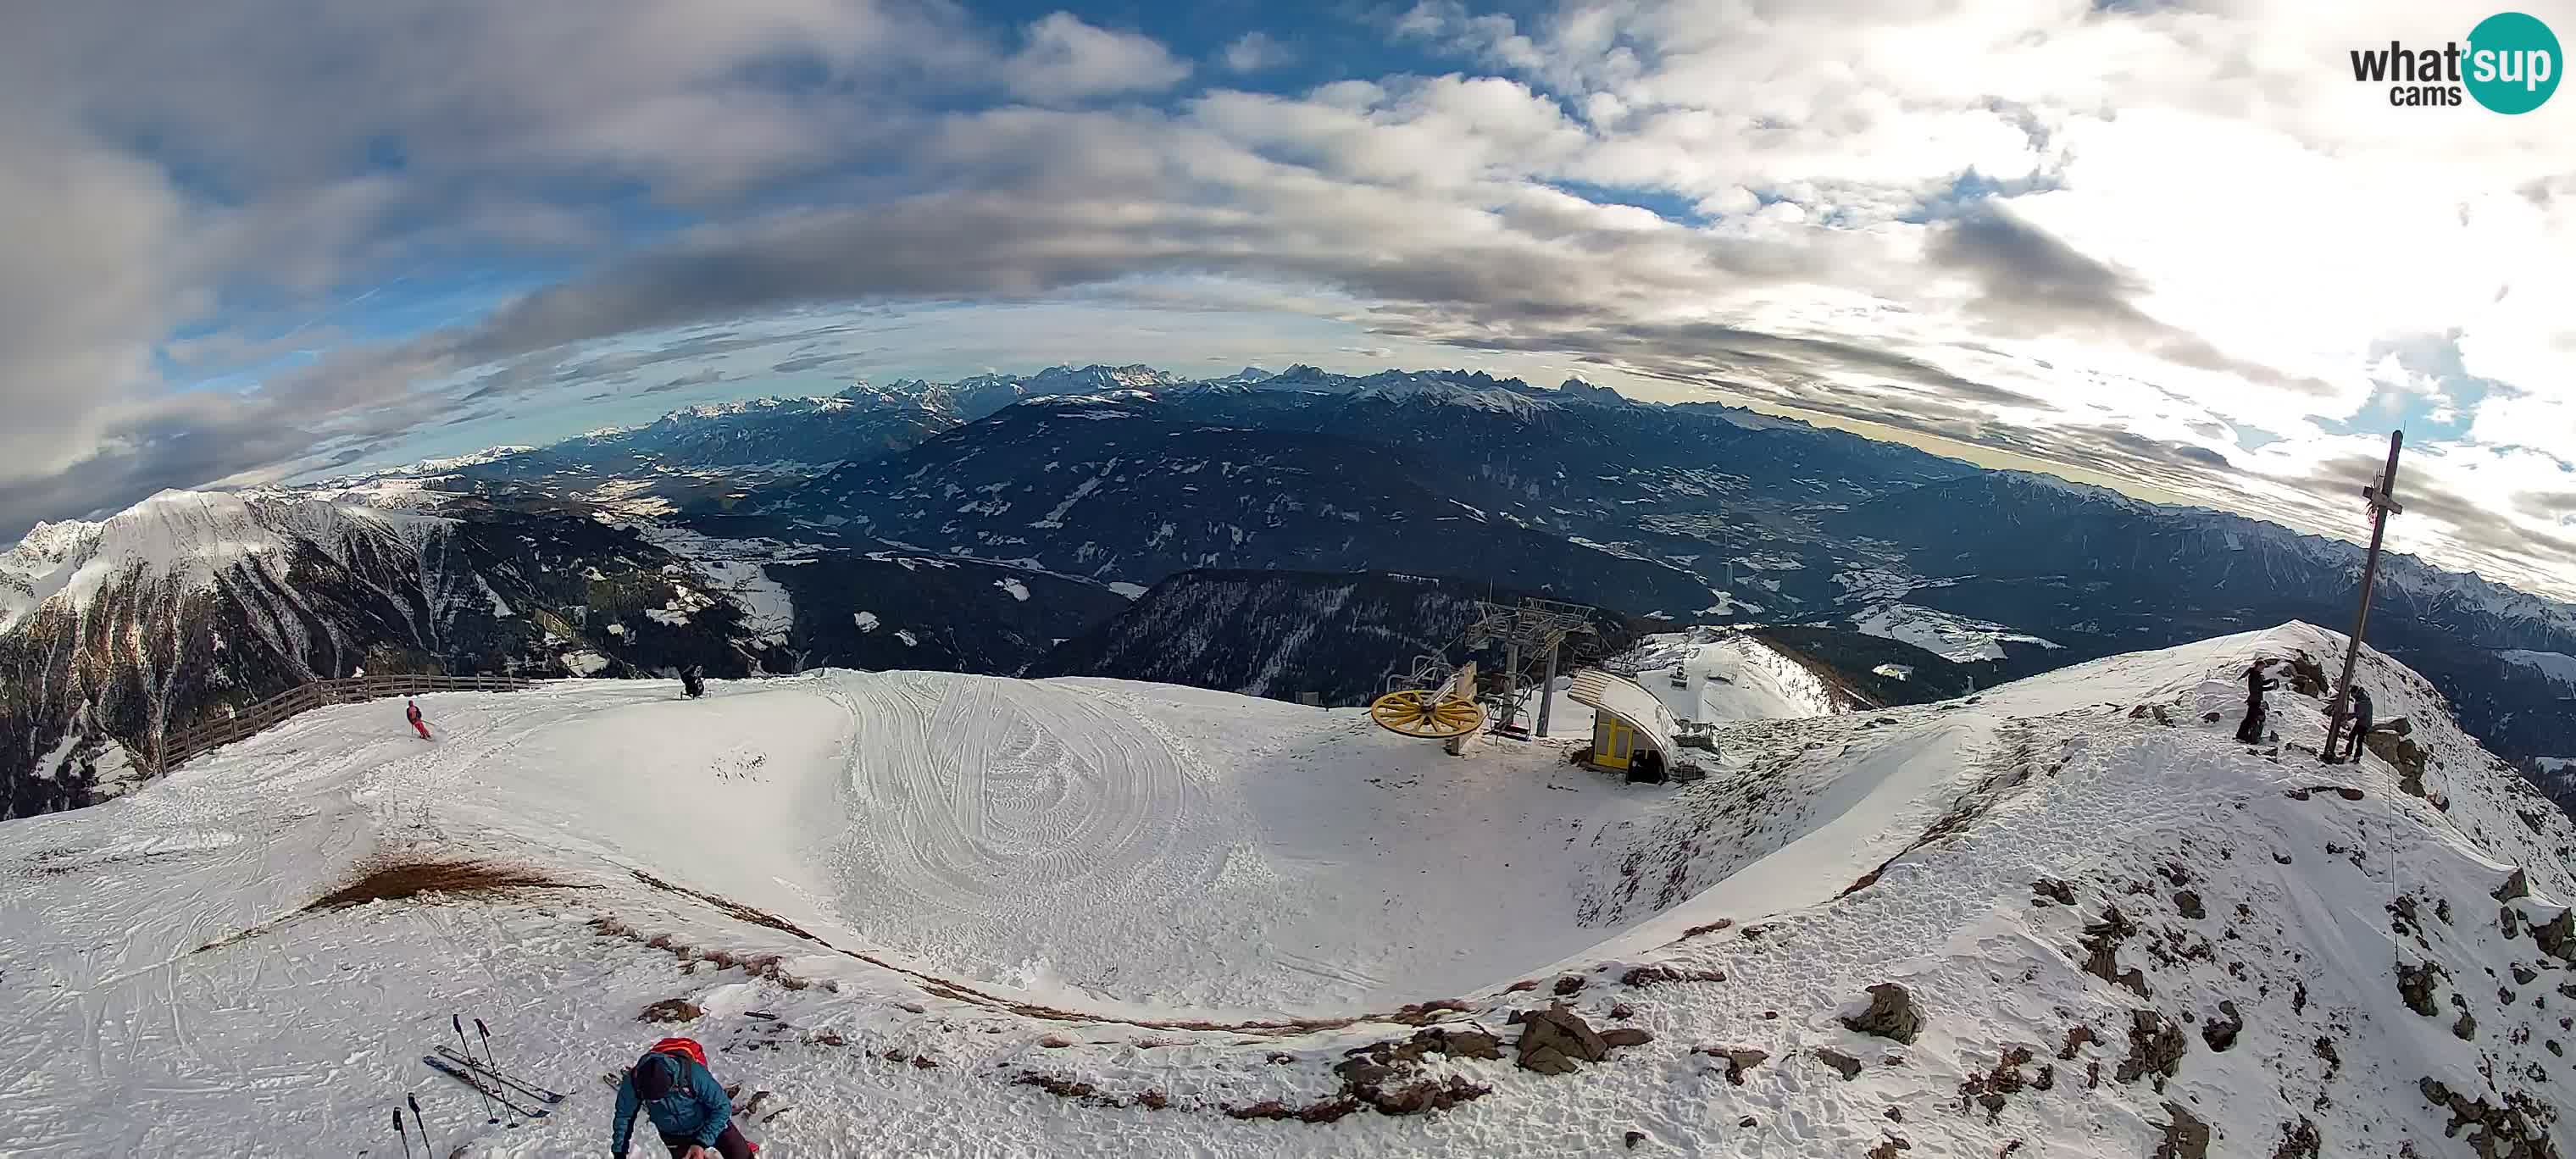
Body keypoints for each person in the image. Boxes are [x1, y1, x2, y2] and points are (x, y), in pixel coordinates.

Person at [610, 1038, 753, 1159]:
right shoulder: (633, 1081)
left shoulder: (694, 1074)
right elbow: (624, 1116)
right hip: (674, 1135)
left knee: (741, 1155)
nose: (655, 1103)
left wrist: (701, 1142)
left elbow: (722, 1107)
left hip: (709, 1122)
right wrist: (619, 1152)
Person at [2235, 662, 2275, 745]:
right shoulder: (2254, 675)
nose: (2263, 669)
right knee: (2250, 719)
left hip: (2255, 700)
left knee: (2251, 718)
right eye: (2262, 667)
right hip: (2254, 700)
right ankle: (2242, 736)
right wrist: (2271, 687)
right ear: (2257, 666)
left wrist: (2271, 681)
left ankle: (2244, 735)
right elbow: (2257, 689)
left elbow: (2261, 684)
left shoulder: (2256, 674)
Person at [2344, 685, 2374, 761]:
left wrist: (2349, 716)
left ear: (2355, 693)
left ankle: (2357, 756)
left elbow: (2359, 714)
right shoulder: (2361, 698)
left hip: (2364, 723)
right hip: (2362, 721)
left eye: (2352, 694)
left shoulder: (2363, 701)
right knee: (2353, 736)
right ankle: (2349, 752)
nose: (2352, 696)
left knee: (2359, 740)